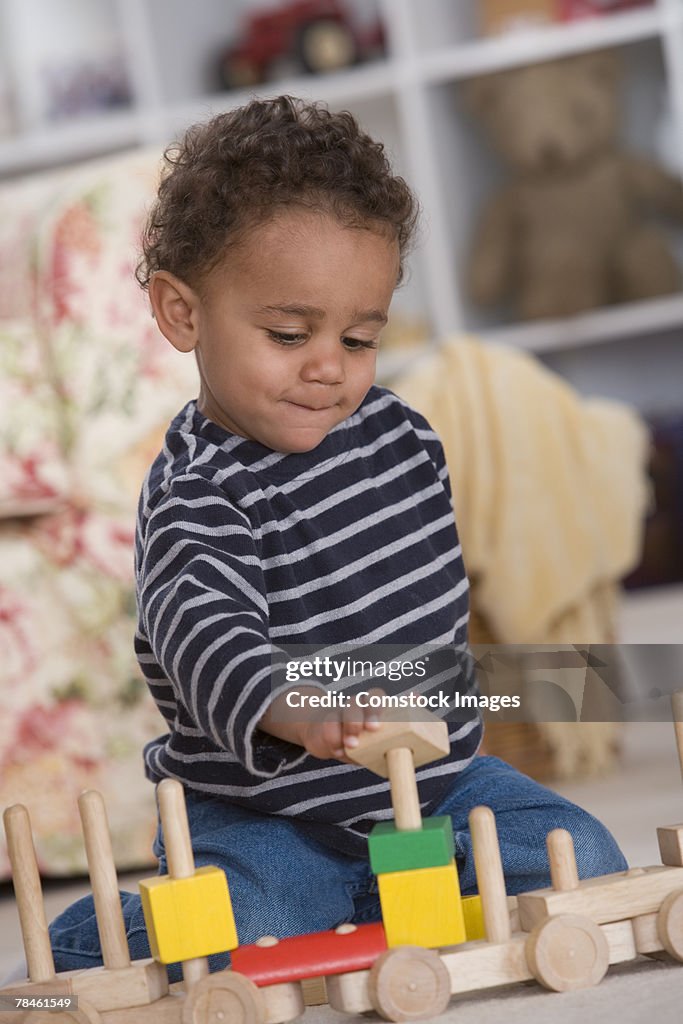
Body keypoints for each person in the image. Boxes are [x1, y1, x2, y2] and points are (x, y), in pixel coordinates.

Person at [47, 95, 626, 978]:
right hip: (269, 814)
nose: (329, 366)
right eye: (288, 334)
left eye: (360, 338)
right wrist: (294, 705)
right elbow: (202, 638)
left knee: (578, 857)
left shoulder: (406, 441)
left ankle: (385, 904)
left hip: (431, 795)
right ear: (182, 314)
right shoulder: (197, 492)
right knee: (247, 927)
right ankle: (99, 931)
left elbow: (433, 621)